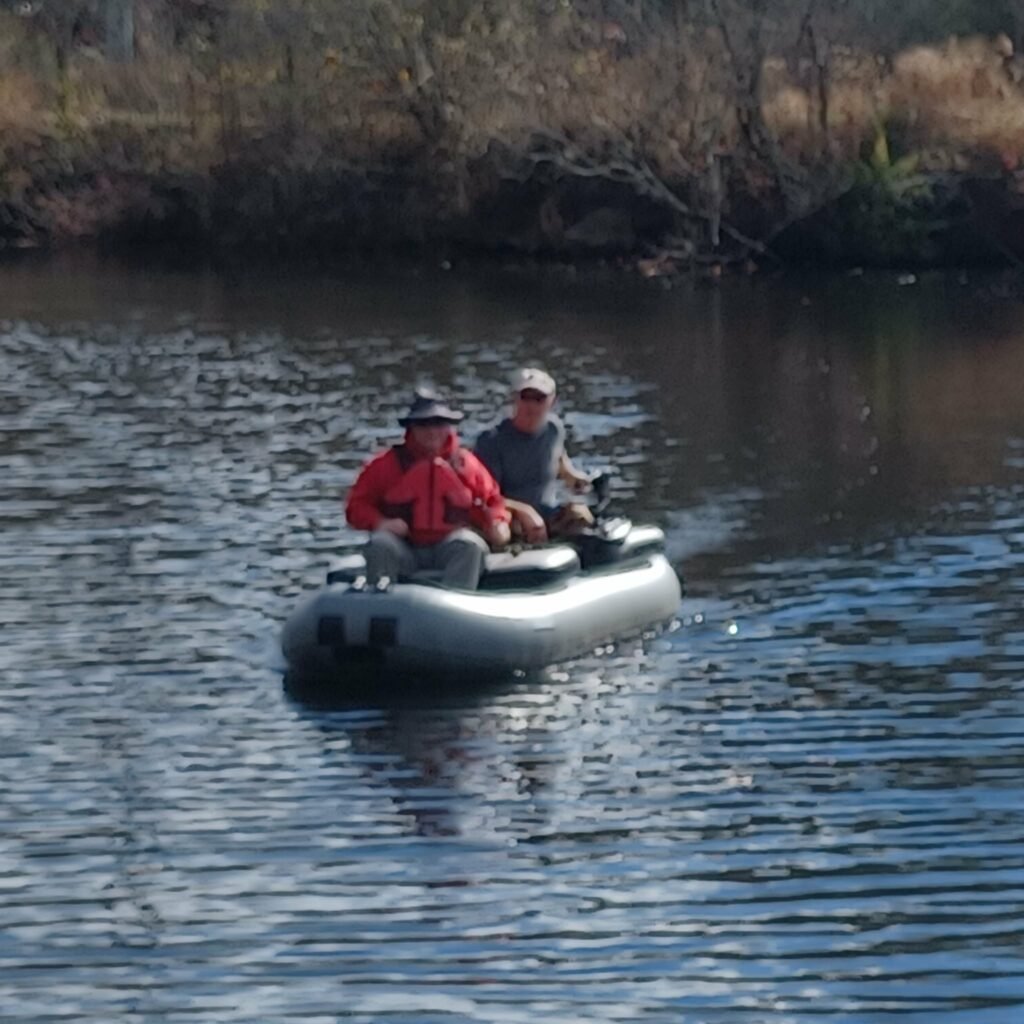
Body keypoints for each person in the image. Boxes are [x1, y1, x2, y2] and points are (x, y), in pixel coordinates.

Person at [346, 389, 511, 590]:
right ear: (411, 428)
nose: (432, 430)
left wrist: (498, 523)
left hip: (449, 548)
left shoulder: (467, 464)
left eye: (439, 423)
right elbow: (356, 506)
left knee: (470, 545)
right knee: (380, 544)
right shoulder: (384, 465)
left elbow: (493, 501)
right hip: (405, 548)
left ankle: (455, 607)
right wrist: (381, 522)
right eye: (423, 424)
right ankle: (383, 605)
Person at [474, 367, 593, 544]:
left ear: (552, 401)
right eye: (525, 397)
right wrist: (525, 512)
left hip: (546, 512)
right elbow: (484, 498)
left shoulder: (554, 430)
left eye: (539, 399)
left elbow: (560, 461)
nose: (531, 405)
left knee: (581, 515)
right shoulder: (491, 440)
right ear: (514, 399)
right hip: (509, 517)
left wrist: (577, 479)